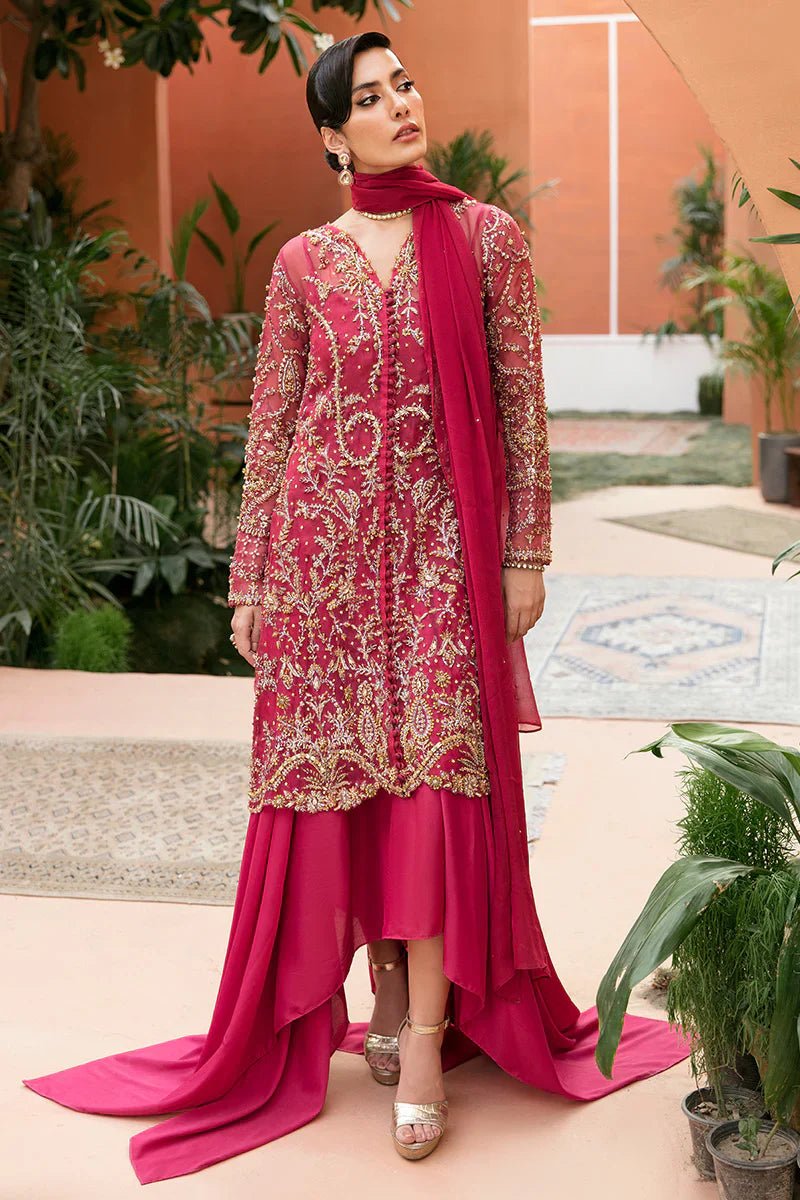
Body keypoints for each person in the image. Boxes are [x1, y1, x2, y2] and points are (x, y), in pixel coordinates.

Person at [22, 31, 691, 1183]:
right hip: (326, 568)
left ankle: (427, 1038)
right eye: (369, 98)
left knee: (434, 789)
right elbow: (273, 431)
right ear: (333, 137)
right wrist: (255, 580)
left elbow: (523, 408)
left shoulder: (486, 240)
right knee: (352, 790)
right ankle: (380, 987)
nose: (399, 105)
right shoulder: (301, 266)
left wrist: (523, 552)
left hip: (440, 561)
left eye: (404, 85)